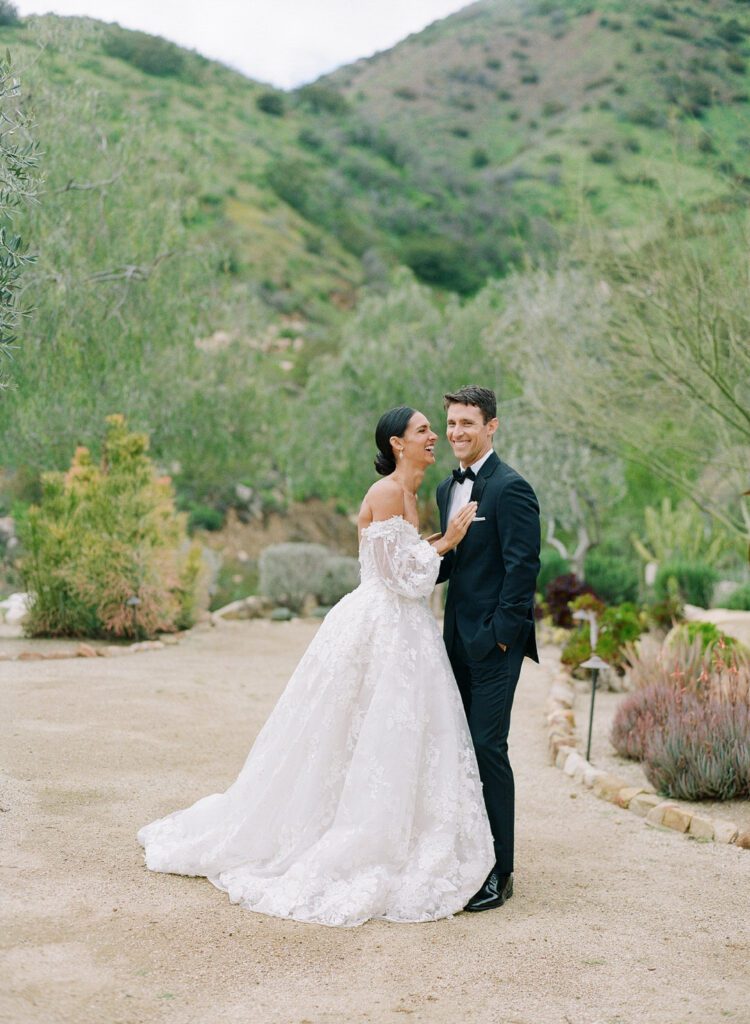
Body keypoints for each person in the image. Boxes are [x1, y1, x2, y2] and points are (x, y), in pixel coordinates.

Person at [138, 406, 494, 927]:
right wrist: (448, 542)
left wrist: (435, 543)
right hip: (381, 627)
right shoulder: (388, 493)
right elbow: (400, 577)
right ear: (398, 443)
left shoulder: (412, 493)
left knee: (388, 735)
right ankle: (348, 835)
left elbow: (406, 564)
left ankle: (399, 828)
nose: (434, 436)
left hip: (404, 630)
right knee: (354, 729)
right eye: (423, 430)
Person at [436, 385, 540, 912]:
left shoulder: (511, 489)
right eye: (451, 423)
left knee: (486, 749)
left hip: (496, 646)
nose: (457, 432)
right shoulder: (444, 490)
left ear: (491, 426)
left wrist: (500, 635)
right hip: (452, 643)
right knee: (456, 749)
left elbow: (523, 569)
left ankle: (502, 870)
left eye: (468, 423)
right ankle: (467, 855)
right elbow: (453, 563)